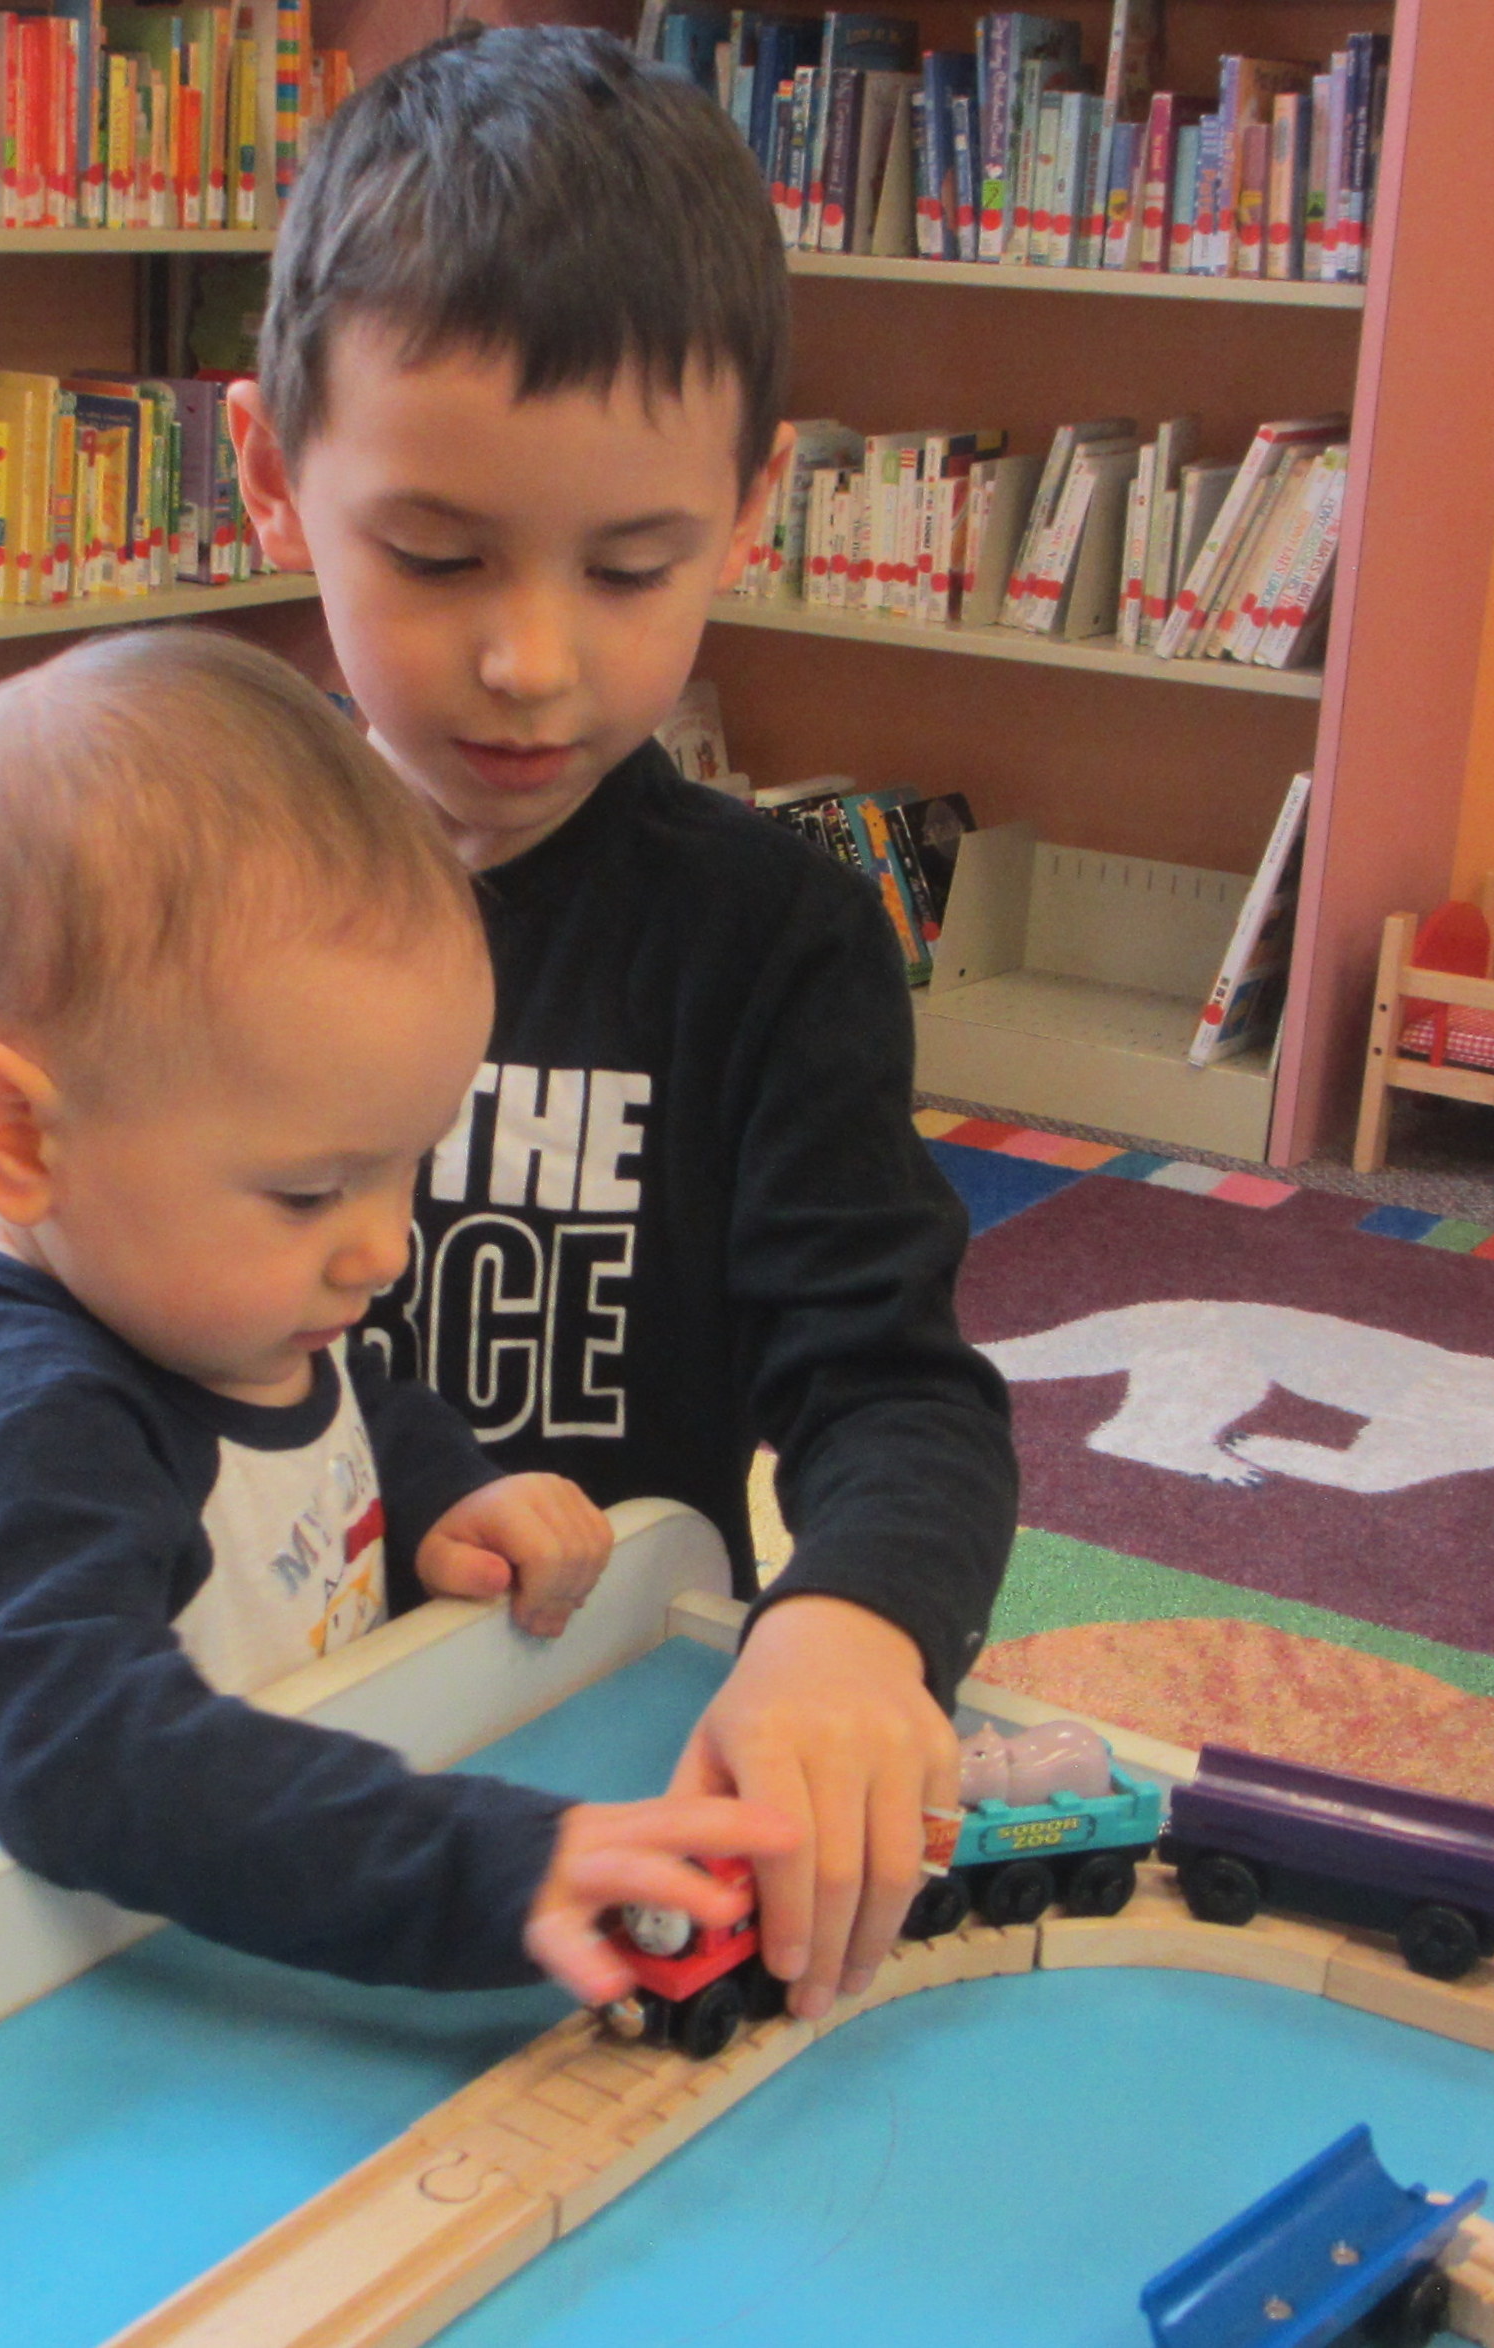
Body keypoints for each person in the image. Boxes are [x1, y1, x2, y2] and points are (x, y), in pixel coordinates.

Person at [226, 24, 1019, 2022]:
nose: (528, 658)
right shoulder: (172, 896)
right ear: (270, 476)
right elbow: (8, 1293)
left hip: (590, 1739)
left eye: (631, 565)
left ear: (751, 510)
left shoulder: (774, 943)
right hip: (232, 1745)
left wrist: (849, 1625)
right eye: (434, 556)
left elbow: (896, 1395)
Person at [0, 628, 791, 1994]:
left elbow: (321, 1409)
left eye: (409, 1166)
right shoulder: (22, 1421)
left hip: (222, 1913)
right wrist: (482, 1866)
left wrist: (440, 1487)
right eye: (309, 1193)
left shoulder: (191, 1294)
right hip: (5, 1993)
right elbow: (85, 1760)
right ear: (16, 1139)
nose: (385, 1250)